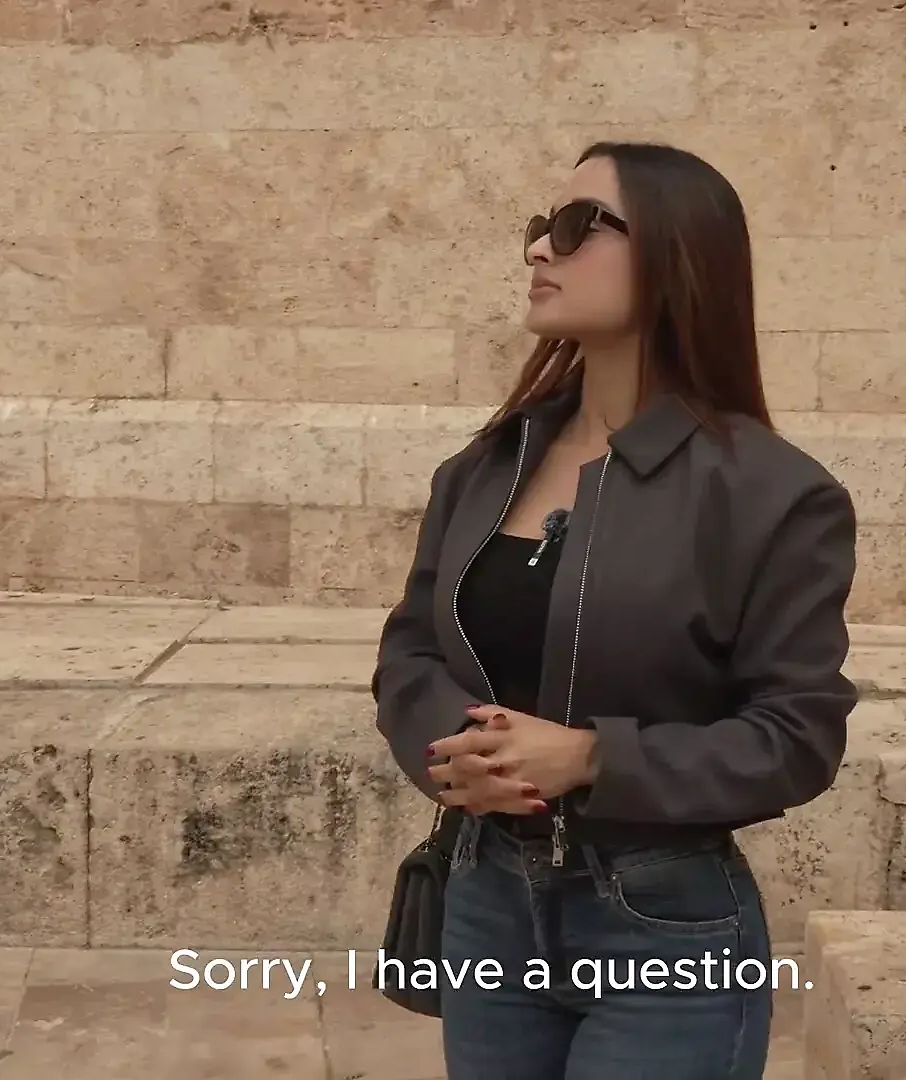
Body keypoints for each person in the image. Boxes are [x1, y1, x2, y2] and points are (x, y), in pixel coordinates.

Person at [370, 141, 860, 1080]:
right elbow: (410, 650)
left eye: (575, 227)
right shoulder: (486, 465)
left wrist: (593, 757)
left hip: (665, 928)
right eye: (539, 228)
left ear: (677, 254)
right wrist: (453, 752)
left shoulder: (773, 494)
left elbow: (797, 735)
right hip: (484, 903)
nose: (538, 251)